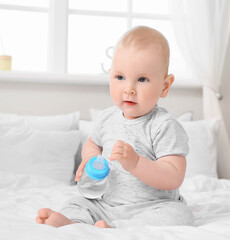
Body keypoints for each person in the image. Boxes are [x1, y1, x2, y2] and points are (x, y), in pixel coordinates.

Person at [35, 26, 194, 228]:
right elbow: (93, 143)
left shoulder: (164, 126)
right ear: (110, 76)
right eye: (120, 77)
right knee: (78, 201)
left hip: (153, 206)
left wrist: (136, 164)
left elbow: (173, 176)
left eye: (142, 79)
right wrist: (90, 157)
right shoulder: (107, 118)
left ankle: (120, 229)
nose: (129, 89)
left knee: (180, 215)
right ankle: (72, 221)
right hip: (104, 202)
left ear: (164, 86)